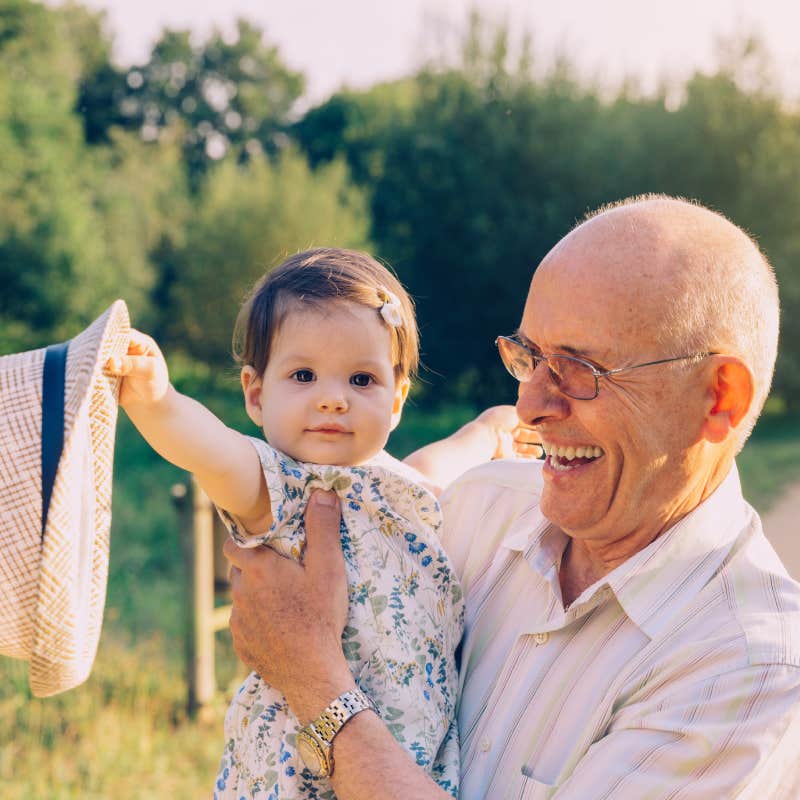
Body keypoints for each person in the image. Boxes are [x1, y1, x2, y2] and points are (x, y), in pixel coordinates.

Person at [223, 196, 800, 799]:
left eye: (580, 369)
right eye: (529, 359)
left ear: (718, 398)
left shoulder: (746, 672)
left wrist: (313, 679)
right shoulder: (477, 509)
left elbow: (305, 650)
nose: (528, 406)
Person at [106, 248, 535, 799]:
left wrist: (491, 429)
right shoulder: (278, 490)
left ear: (397, 399)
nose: (333, 399)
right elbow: (210, 451)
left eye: (361, 380)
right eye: (304, 375)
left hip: (404, 763)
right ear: (256, 395)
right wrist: (157, 399)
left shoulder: (399, 487)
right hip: (301, 770)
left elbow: (443, 460)